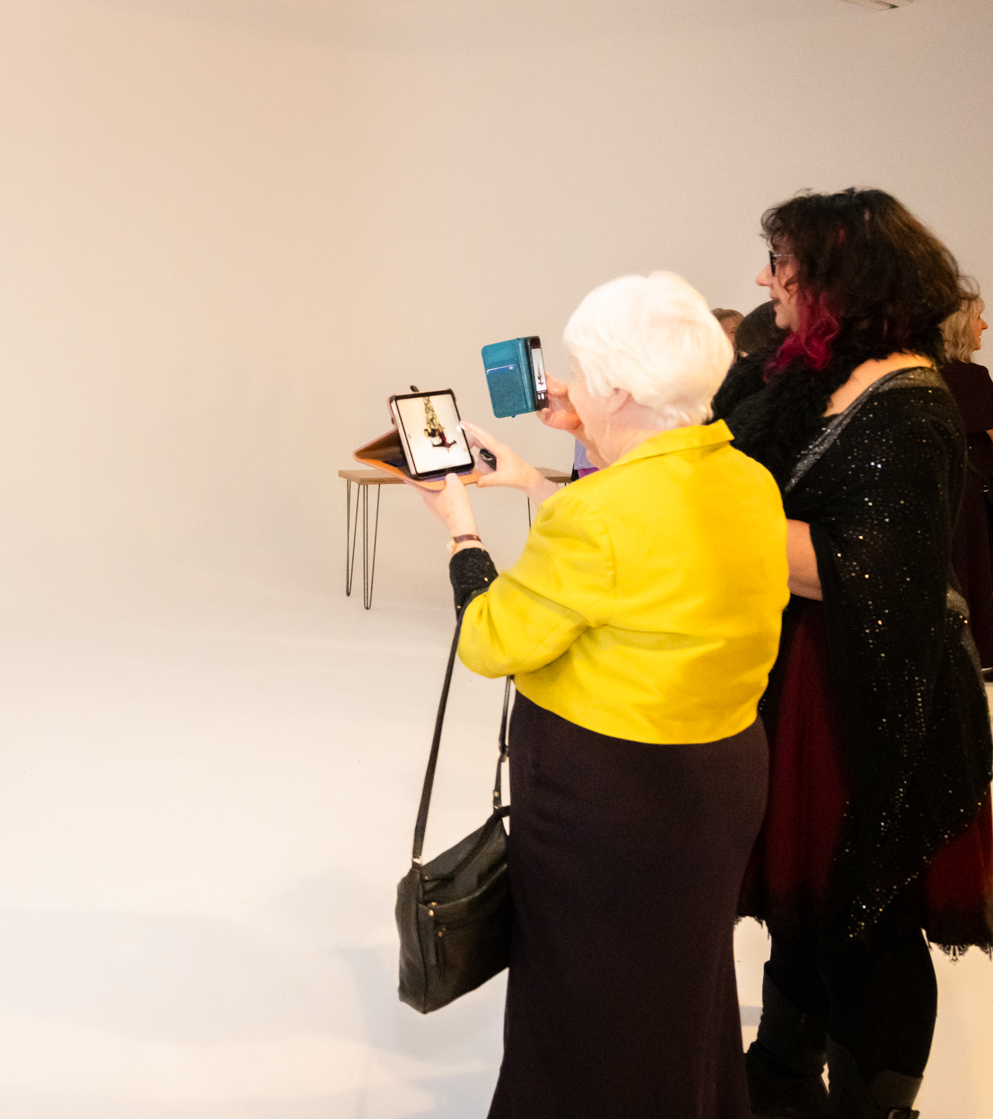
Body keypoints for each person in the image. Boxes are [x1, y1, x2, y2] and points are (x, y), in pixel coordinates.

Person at [415, 272, 789, 1119]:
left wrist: (461, 526)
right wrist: (548, 464)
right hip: (723, 775)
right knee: (679, 992)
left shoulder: (603, 515)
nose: (567, 387)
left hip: (614, 799)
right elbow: (650, 548)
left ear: (620, 386)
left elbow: (490, 638)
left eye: (582, 373)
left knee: (584, 1003)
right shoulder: (747, 481)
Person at [715, 189, 992, 1119]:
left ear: (837, 278)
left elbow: (855, 570)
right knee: (802, 905)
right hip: (805, 681)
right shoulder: (808, 374)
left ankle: (868, 1103)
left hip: (873, 695)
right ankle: (784, 1073)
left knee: (864, 920)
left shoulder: (910, 404)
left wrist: (708, 522)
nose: (765, 281)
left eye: (782, 267)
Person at [939, 284, 992, 673]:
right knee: (979, 573)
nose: (985, 326)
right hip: (975, 499)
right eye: (977, 318)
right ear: (959, 327)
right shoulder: (972, 378)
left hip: (942, 495)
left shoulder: (923, 374)